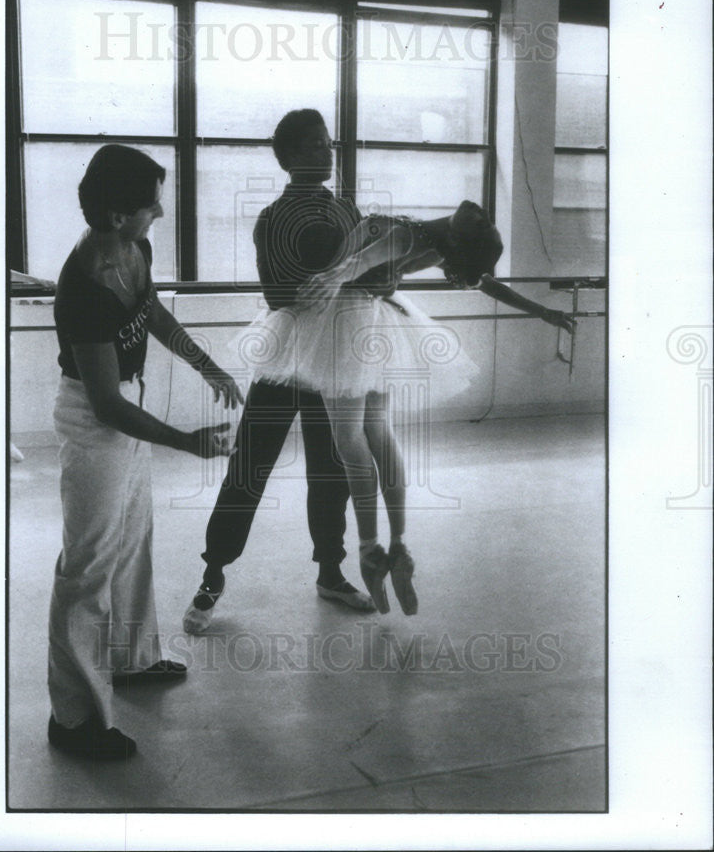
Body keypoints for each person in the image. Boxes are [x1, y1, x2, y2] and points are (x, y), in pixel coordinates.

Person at [254, 199, 575, 615]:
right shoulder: (429, 242)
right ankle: (400, 544)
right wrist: (542, 311)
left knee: (350, 437)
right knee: (379, 431)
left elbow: (361, 264)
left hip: (349, 317)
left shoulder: (427, 236)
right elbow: (371, 261)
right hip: (378, 320)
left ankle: (371, 550)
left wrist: (320, 286)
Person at [48, 144, 243, 761]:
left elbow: (152, 312)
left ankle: (131, 661)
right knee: (88, 566)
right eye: (150, 205)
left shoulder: (134, 250)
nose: (159, 211)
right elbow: (105, 406)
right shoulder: (85, 287)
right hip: (94, 417)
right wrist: (187, 442)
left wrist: (204, 363)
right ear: (113, 215)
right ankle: (73, 718)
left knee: (133, 538)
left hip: (123, 405)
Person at [183, 109, 391, 634]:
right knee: (250, 464)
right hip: (290, 349)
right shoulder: (274, 217)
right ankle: (211, 578)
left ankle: (330, 573)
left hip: (338, 351)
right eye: (317, 145)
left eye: (328, 143)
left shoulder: (345, 209)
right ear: (293, 156)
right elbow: (277, 295)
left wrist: (360, 275)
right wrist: (333, 281)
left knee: (332, 469)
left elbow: (377, 276)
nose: (328, 151)